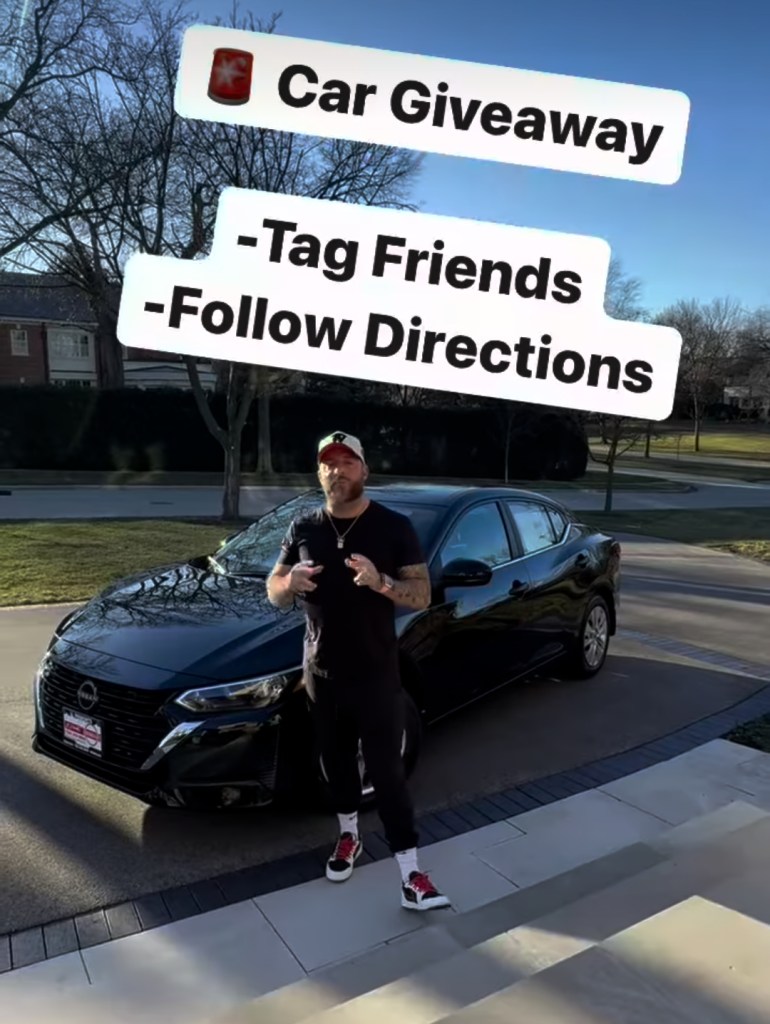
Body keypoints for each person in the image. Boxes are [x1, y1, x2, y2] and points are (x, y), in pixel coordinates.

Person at [267, 430, 451, 912]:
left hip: (375, 675)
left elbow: (422, 595)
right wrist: (289, 583)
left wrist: (380, 581)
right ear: (319, 472)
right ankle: (348, 836)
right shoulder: (303, 526)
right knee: (337, 765)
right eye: (329, 462)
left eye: (348, 462)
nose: (338, 470)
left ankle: (411, 875)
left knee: (388, 773)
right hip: (321, 675)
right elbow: (274, 588)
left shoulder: (393, 527)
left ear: (364, 470)